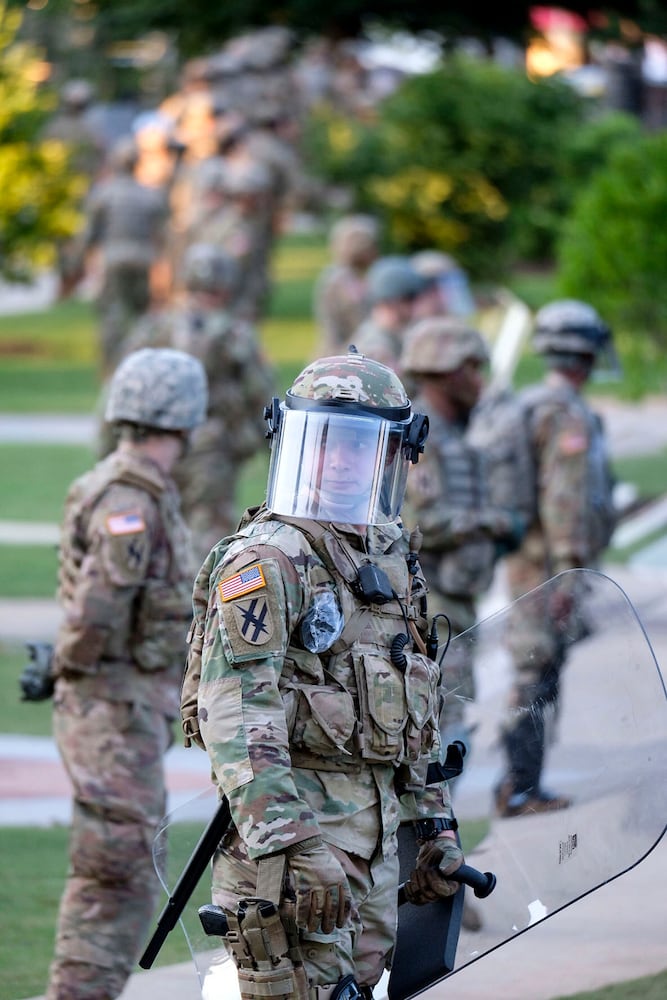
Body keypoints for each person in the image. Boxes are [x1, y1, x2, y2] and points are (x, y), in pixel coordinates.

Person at [181, 350, 465, 998]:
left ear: (394, 456)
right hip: (291, 860)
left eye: (359, 446)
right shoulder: (267, 563)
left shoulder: (388, 560)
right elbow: (237, 718)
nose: (339, 460)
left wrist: (433, 827)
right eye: (326, 441)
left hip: (369, 855)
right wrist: (293, 844)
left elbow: (412, 708)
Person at [45, 348, 208, 1000]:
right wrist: (74, 668)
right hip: (111, 708)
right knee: (115, 870)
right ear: (186, 418)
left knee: (123, 862)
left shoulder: (132, 488)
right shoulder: (130, 502)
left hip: (123, 706)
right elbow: (99, 608)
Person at [490, 300, 618, 818]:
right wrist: (570, 574)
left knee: (537, 666)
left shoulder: (534, 401)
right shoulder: (564, 413)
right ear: (583, 353)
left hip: (532, 563)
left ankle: (522, 783)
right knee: (534, 668)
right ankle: (519, 787)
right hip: (546, 569)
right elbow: (565, 501)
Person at [400, 318, 525, 757]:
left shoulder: (450, 433)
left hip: (453, 601)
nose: (479, 380)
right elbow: (420, 525)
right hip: (427, 605)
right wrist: (494, 522)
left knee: (449, 732)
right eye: (472, 368)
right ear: (446, 371)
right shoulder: (420, 436)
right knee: (441, 737)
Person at [121, 242, 275, 564]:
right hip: (212, 446)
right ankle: (202, 609)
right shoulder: (234, 332)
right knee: (208, 534)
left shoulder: (156, 326)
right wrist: (273, 449)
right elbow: (259, 392)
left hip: (156, 443)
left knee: (154, 526)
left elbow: (123, 386)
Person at [78, 136, 170, 376]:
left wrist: (84, 264)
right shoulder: (149, 194)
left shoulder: (103, 193)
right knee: (143, 318)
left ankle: (111, 371)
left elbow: (90, 234)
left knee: (112, 316)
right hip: (143, 259)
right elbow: (161, 235)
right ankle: (143, 368)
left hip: (113, 259)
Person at [314, 214, 380, 357]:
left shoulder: (362, 277)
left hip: (355, 349)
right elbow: (339, 327)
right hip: (342, 352)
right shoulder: (339, 281)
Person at [352, 256, 425, 379]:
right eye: (409, 299)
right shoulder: (375, 347)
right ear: (392, 302)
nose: (415, 306)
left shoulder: (390, 334)